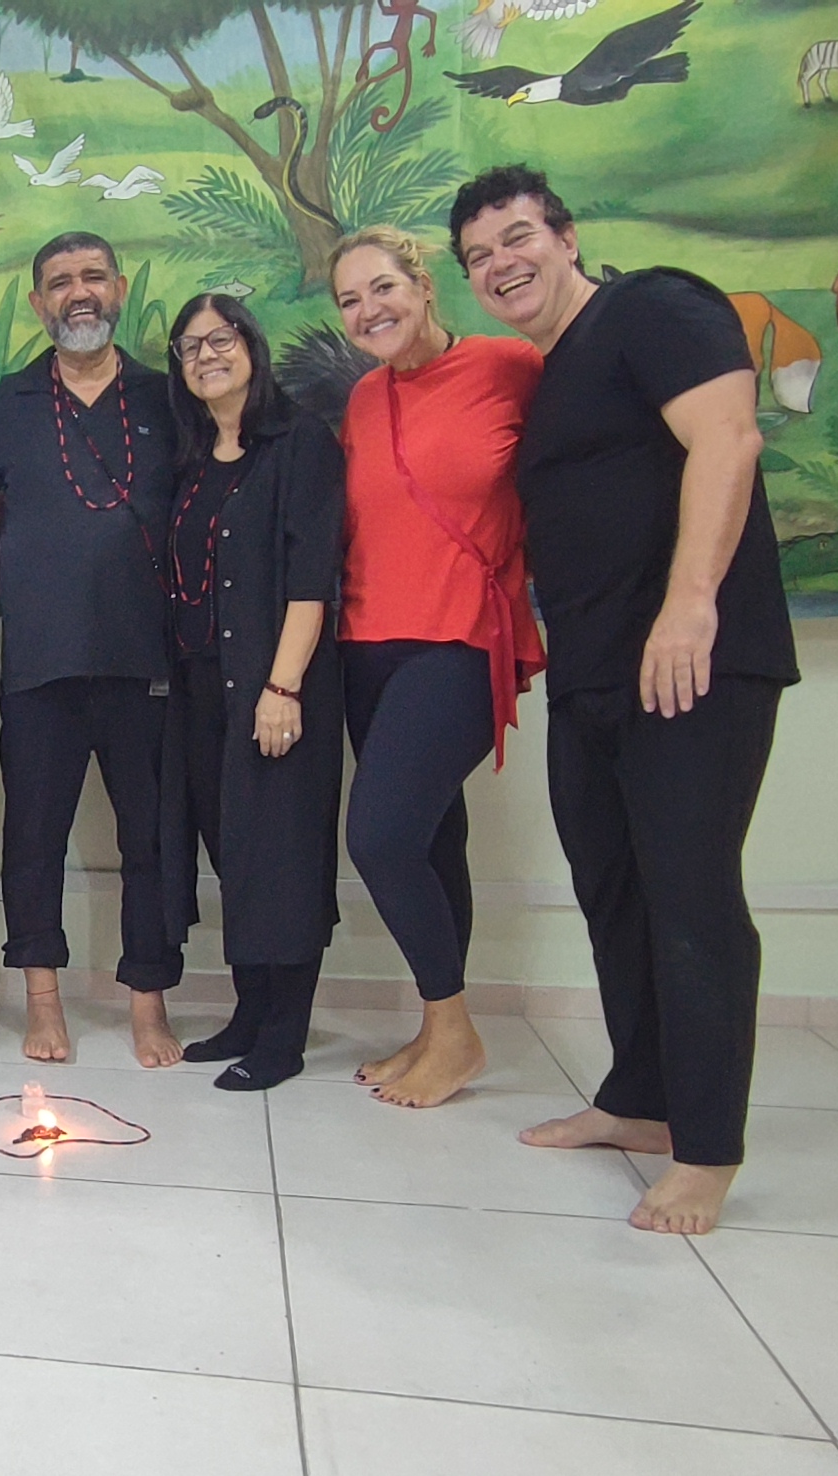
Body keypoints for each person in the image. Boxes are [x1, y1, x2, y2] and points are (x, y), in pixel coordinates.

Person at [455, 165, 799, 1235]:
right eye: (479, 257)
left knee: (691, 899)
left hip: (692, 660)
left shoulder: (654, 306)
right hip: (594, 673)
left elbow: (728, 439)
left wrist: (690, 606)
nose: (501, 265)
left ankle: (707, 1149)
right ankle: (640, 1101)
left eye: (517, 238)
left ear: (565, 238)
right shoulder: (554, 371)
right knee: (615, 891)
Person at [326, 226, 546, 1110]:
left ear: (422, 286)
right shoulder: (362, 399)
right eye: (349, 300)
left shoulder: (508, 366)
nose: (368, 310)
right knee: (430, 837)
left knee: (379, 837)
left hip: (460, 639)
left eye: (382, 288)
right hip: (366, 644)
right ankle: (435, 1026)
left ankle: (456, 1034)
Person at [0, 232, 186, 1068]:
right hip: (39, 662)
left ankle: (149, 1006)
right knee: (33, 838)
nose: (78, 293)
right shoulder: (11, 403)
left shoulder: (168, 397)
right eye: (60, 282)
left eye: (93, 277)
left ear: (119, 289)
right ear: (38, 303)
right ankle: (43, 1004)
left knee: (151, 842)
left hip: (147, 660)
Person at [156, 295, 346, 1091]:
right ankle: (248, 1013)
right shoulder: (195, 451)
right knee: (234, 852)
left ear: (251, 346)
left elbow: (312, 577)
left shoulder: (300, 441)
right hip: (203, 689)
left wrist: (282, 685)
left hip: (275, 687)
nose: (206, 356)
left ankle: (283, 1037)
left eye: (220, 339)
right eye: (190, 346)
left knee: (283, 858)